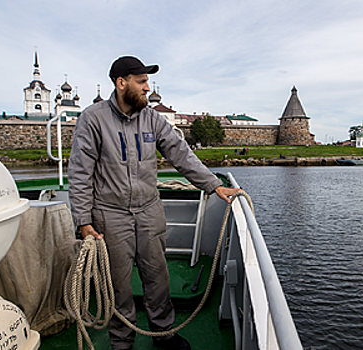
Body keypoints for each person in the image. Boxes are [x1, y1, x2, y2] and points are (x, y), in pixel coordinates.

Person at [68, 56, 241, 350]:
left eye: (148, 82)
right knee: (118, 285)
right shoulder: (93, 118)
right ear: (121, 83)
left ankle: (164, 334)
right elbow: (80, 172)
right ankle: (122, 343)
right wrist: (83, 221)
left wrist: (213, 185)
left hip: (149, 210)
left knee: (157, 276)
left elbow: (181, 154)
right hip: (110, 215)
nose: (148, 88)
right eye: (142, 81)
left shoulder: (153, 120)